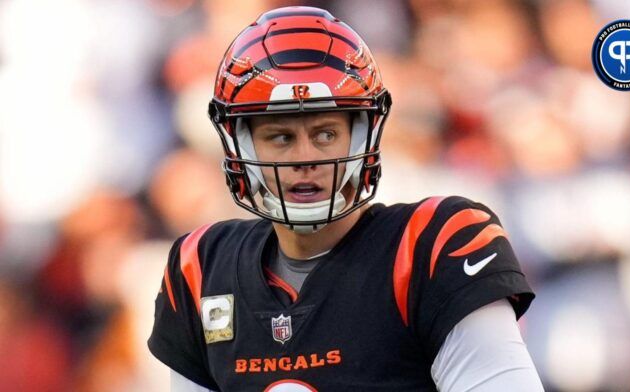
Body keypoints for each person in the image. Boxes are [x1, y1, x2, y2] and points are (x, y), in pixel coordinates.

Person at [149, 6, 543, 391]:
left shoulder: (432, 246)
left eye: (325, 134)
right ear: (243, 147)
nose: (305, 159)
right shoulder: (200, 267)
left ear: (363, 135)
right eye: (281, 137)